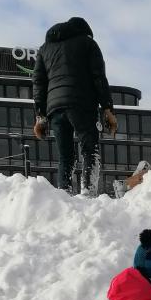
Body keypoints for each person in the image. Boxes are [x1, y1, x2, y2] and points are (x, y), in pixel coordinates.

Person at [32, 16, 118, 197]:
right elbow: (99, 77)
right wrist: (107, 108)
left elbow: (38, 83)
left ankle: (64, 195)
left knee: (65, 157)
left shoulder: (45, 49)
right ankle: (88, 194)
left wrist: (40, 116)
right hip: (82, 105)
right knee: (90, 150)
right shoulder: (88, 44)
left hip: (55, 110)